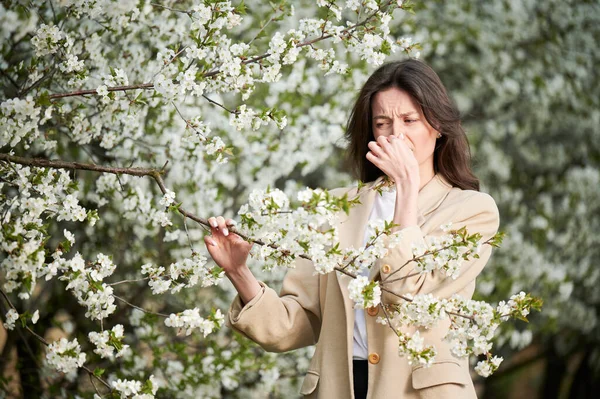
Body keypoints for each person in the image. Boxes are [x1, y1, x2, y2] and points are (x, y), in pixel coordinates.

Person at [204, 59, 500, 399]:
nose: (395, 134)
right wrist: (239, 272)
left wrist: (406, 186)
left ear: (438, 127)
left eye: (409, 120)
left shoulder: (471, 211)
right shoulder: (337, 209)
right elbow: (293, 325)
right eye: (382, 123)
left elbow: (411, 295)